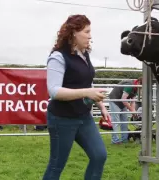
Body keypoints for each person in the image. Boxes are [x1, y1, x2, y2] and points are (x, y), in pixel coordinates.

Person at [43, 14, 111, 180]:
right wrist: (86, 92)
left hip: (83, 117)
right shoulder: (58, 56)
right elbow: (54, 91)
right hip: (61, 119)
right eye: (87, 31)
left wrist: (101, 105)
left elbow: (87, 82)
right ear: (74, 32)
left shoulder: (84, 54)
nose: (90, 36)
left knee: (99, 156)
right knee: (56, 166)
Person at [108, 77, 142, 144]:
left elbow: (133, 101)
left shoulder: (137, 87)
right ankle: (115, 141)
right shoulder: (130, 85)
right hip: (115, 100)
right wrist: (131, 109)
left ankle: (125, 139)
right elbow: (123, 99)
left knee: (125, 121)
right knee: (116, 121)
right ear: (139, 82)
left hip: (123, 102)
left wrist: (133, 111)